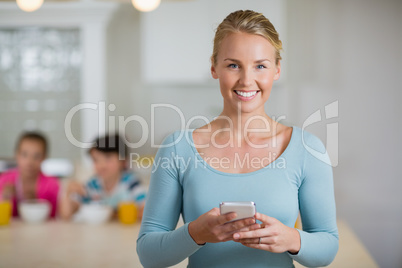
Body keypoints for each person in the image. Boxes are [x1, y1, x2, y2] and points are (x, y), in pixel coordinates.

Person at [137, 10, 338, 268]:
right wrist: (195, 233)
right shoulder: (177, 149)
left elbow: (328, 246)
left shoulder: (307, 149)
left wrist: (291, 238)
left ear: (276, 70)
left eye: (260, 66)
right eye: (233, 65)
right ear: (214, 67)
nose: (246, 80)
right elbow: (149, 254)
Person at [59, 134, 146, 220]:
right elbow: (66, 215)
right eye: (96, 160)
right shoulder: (92, 185)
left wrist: (113, 214)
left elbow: (146, 212)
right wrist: (68, 192)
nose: (101, 165)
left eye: (108, 158)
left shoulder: (131, 183)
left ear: (123, 160)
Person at [0, 131, 60, 218]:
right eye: (24, 154)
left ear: (44, 157)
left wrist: (34, 202)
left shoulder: (52, 185)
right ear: (16, 154)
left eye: (36, 156)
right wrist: (5, 197)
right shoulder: (4, 180)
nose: (30, 162)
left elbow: (54, 218)